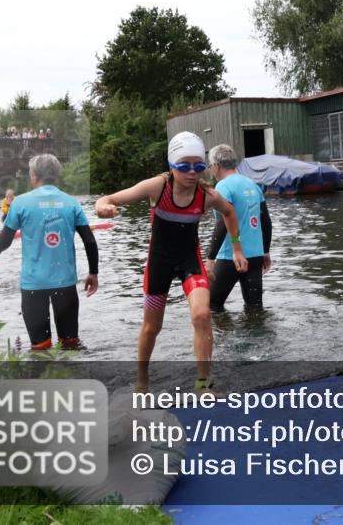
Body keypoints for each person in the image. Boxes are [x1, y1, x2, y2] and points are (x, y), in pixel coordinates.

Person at [94, 131, 247, 393]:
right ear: (171, 166)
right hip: (159, 264)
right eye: (183, 166)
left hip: (191, 261)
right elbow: (108, 199)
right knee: (152, 327)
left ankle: (203, 385)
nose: (192, 172)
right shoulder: (157, 187)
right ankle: (142, 380)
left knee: (201, 315)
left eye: (198, 166)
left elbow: (230, 212)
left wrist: (236, 249)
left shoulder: (206, 195)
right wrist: (103, 206)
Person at [0, 154, 99, 350]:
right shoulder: (72, 203)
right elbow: (90, 241)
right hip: (65, 283)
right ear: (57, 176)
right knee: (70, 344)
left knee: (40, 348)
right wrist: (93, 273)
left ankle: (44, 377)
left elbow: (5, 241)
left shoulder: (20, 203)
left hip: (34, 285)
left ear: (33, 176)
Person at [204, 144, 272, 311]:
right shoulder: (253, 185)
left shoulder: (223, 186)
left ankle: (222, 335)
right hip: (255, 256)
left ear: (216, 166)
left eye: (210, 166)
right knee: (254, 308)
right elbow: (266, 222)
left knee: (210, 305)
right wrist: (265, 251)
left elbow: (222, 224)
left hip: (230, 256)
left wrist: (210, 258)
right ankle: (256, 336)